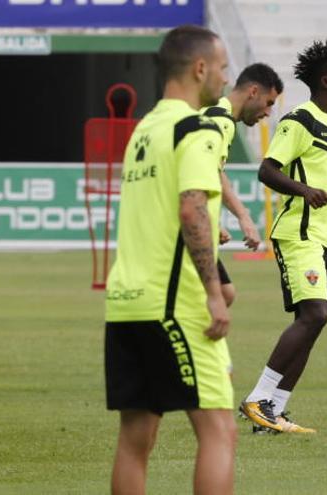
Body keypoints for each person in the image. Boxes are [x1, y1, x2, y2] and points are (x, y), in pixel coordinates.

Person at [104, 25, 236, 493]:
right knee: (220, 430)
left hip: (125, 302)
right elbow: (191, 206)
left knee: (136, 438)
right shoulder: (195, 128)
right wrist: (214, 294)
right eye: (221, 68)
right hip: (174, 304)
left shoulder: (145, 128)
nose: (224, 79)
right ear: (200, 68)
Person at [239, 40, 327, 434]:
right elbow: (267, 170)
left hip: (325, 239)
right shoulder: (299, 120)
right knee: (314, 315)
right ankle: (258, 398)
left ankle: (273, 411)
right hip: (300, 235)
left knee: (315, 321)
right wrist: (305, 192)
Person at [202, 63, 284, 306]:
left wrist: (240, 216)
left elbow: (215, 171)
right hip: (187, 226)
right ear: (253, 92)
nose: (268, 113)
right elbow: (205, 172)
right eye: (269, 103)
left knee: (225, 293)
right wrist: (208, 220)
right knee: (212, 298)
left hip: (199, 223)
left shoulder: (218, 117)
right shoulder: (219, 121)